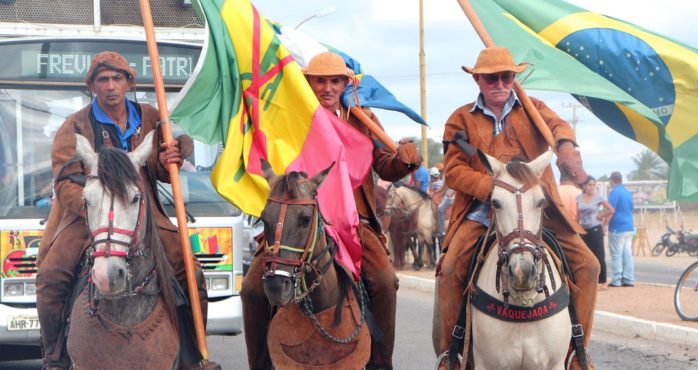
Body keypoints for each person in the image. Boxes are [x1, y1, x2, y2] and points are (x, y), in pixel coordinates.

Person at [35, 51, 216, 370]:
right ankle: (55, 357)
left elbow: (164, 168)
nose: (110, 86)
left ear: (129, 82)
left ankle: (195, 355)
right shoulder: (73, 125)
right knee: (51, 276)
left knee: (191, 271)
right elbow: (64, 181)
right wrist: (97, 204)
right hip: (88, 215)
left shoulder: (150, 116)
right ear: (91, 86)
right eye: (102, 80)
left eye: (117, 78)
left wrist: (173, 154)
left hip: (142, 212)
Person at [241, 51, 421, 370]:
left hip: (353, 220)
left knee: (384, 280)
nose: (327, 88)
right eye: (320, 81)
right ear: (307, 83)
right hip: (296, 217)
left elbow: (383, 165)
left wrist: (405, 161)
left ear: (345, 84)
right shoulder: (290, 116)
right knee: (253, 287)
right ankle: (258, 363)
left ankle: (381, 361)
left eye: (334, 81)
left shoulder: (362, 119)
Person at [437, 46, 599, 369]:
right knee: (452, 269)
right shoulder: (460, 120)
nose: (500, 83)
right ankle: (449, 354)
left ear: (514, 77)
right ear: (478, 80)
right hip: (486, 210)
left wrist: (566, 146)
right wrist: (491, 188)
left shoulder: (532, 107)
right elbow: (453, 170)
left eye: (506, 76)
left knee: (590, 266)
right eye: (491, 77)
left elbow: (560, 127)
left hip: (538, 208)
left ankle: (577, 353)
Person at [577, 176, 615, 291]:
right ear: (585, 186)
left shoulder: (598, 197)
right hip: (583, 229)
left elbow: (611, 210)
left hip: (595, 229)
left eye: (594, 185)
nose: (592, 187)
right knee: (585, 256)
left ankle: (603, 281)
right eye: (590, 185)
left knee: (599, 255)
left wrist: (601, 216)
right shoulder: (579, 197)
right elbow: (577, 215)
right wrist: (575, 227)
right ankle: (588, 280)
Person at [607, 171, 635, 287]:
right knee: (627, 254)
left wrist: (604, 224)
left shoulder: (615, 192)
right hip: (629, 227)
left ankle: (617, 279)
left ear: (613, 180)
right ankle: (628, 279)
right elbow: (632, 208)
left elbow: (610, 210)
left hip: (617, 228)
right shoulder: (627, 192)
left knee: (616, 254)